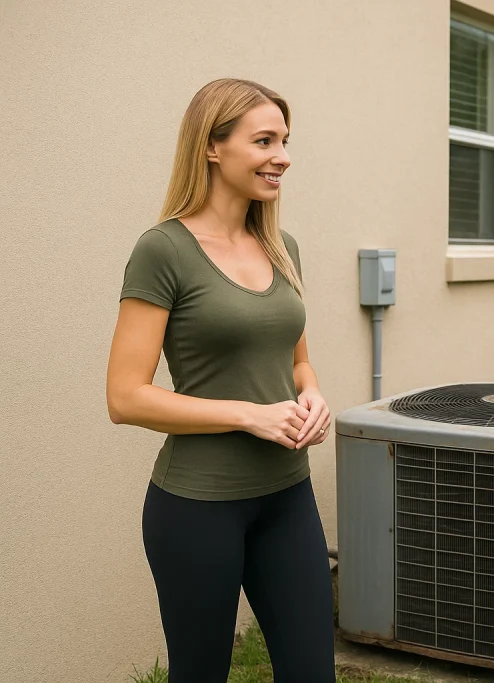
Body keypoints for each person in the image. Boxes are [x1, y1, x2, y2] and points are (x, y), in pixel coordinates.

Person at [106, 78, 336, 682]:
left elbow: (295, 361)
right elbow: (125, 397)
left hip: (287, 497)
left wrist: (311, 395)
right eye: (264, 140)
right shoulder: (163, 251)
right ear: (213, 147)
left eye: (284, 140)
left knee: (313, 672)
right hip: (197, 508)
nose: (282, 155)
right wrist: (248, 413)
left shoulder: (281, 245)